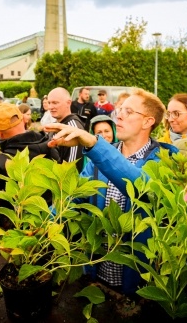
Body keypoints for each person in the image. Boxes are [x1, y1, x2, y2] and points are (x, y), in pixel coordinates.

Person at [44, 87, 179, 294]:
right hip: (97, 270)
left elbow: (143, 188)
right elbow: (75, 197)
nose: (119, 116)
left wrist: (93, 143)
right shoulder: (100, 156)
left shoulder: (164, 161)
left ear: (148, 121)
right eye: (120, 110)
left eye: (129, 112)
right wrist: (40, 227)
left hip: (137, 278)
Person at [0, 103, 60, 227]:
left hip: (20, 226)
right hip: (53, 220)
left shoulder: (1, 162)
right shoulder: (49, 144)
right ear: (23, 120)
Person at [47, 87, 86, 172]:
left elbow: (72, 167)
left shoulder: (73, 128)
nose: (50, 107)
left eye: (55, 103)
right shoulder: (56, 125)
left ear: (68, 103)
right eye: (49, 102)